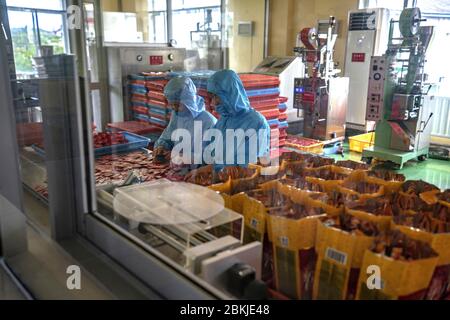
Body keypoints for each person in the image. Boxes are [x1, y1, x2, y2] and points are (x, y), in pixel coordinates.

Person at [187, 70, 271, 177]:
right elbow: (213, 157)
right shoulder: (223, 121)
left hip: (245, 186)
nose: (213, 103)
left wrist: (210, 169)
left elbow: (251, 166)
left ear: (229, 95)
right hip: (222, 181)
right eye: (212, 97)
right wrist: (199, 169)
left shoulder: (257, 123)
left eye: (216, 97)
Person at [153, 77, 217, 165]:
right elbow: (168, 136)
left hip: (200, 173)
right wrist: (162, 146)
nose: (174, 109)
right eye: (172, 105)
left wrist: (187, 157)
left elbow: (214, 157)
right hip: (178, 169)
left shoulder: (209, 122)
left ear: (189, 101)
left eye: (177, 105)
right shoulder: (177, 116)